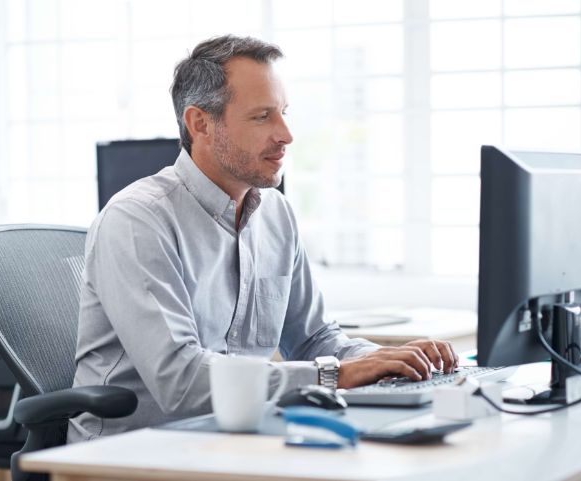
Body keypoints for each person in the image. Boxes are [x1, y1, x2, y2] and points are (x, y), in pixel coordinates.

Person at [67, 34, 458, 443]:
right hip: (132, 452)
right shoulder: (138, 220)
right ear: (200, 123)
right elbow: (179, 380)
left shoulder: (276, 214)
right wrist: (335, 375)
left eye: (284, 113)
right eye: (262, 117)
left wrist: (382, 359)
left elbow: (313, 339)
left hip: (235, 439)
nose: (286, 134)